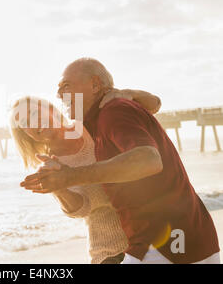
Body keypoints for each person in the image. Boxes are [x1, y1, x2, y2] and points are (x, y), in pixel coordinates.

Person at [21, 57, 220, 264]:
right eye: (24, 123)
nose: (59, 94)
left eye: (66, 86)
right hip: (185, 237)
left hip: (163, 243)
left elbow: (149, 160)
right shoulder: (99, 119)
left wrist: (69, 177)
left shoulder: (113, 112)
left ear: (95, 85)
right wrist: (60, 184)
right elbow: (154, 104)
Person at [10, 88, 161, 264]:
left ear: (50, 109)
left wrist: (126, 93)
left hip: (152, 236)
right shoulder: (49, 164)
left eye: (35, 113)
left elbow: (153, 105)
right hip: (110, 252)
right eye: (25, 123)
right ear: (25, 133)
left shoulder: (89, 124)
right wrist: (59, 188)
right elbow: (82, 209)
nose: (34, 123)